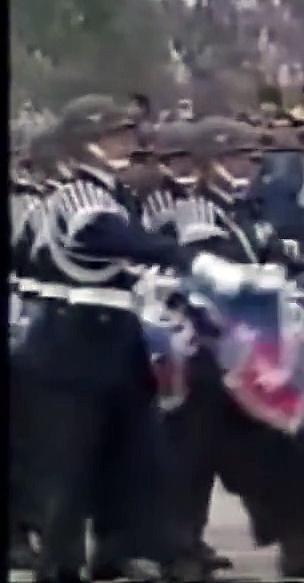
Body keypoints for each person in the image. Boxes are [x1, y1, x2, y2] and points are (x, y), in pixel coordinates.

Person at [21, 95, 255, 582]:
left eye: (125, 134)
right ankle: (60, 563)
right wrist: (189, 259)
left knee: (129, 451)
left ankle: (118, 549)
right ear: (83, 143)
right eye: (113, 136)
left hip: (117, 336)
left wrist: (172, 287)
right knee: (72, 459)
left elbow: (126, 266)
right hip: (75, 338)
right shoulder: (78, 194)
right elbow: (105, 237)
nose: (125, 143)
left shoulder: (117, 193)